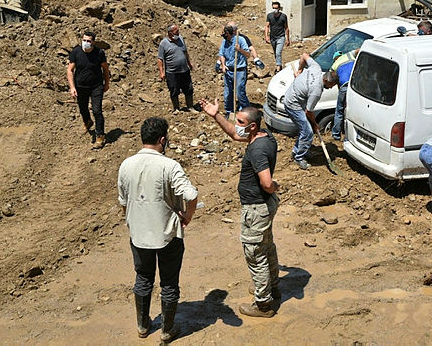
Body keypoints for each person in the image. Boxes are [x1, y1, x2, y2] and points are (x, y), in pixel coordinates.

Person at [117, 117, 198, 342]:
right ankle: (167, 330)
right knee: (169, 283)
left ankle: (143, 327)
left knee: (143, 278)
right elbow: (191, 195)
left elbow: (123, 201)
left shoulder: (126, 165)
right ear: (163, 139)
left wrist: (132, 219)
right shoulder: (169, 166)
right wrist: (187, 216)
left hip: (139, 235)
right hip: (167, 235)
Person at [200, 100, 281, 318]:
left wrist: (274, 187)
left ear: (252, 125)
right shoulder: (264, 136)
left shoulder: (257, 151)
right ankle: (272, 287)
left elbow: (266, 182)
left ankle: (263, 304)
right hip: (263, 207)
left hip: (256, 209)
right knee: (266, 246)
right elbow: (235, 135)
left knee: (255, 255)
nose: (237, 125)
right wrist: (216, 115)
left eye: (240, 121)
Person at [283, 53, 338, 169]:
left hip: (292, 97)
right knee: (308, 131)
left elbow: (303, 55)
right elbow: (309, 112)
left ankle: (297, 150)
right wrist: (315, 124)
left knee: (304, 129)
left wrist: (300, 70)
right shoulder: (316, 91)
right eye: (332, 85)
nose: (331, 88)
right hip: (293, 104)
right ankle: (299, 157)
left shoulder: (316, 68)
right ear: (326, 80)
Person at [67, 31, 110, 149]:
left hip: (96, 86)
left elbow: (105, 69)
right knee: (82, 108)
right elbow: (70, 70)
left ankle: (100, 136)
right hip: (80, 86)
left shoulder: (99, 53)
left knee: (97, 111)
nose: (86, 43)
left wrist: (106, 83)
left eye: (88, 41)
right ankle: (87, 121)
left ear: (93, 42)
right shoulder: (76, 52)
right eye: (84, 40)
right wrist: (72, 87)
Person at [157, 24, 195, 112]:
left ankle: (190, 106)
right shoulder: (164, 43)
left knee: (188, 88)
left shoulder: (181, 39)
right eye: (176, 31)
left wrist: (189, 63)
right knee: (174, 90)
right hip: (172, 72)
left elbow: (185, 52)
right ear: (170, 33)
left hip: (184, 70)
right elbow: (160, 59)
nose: (178, 33)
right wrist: (161, 72)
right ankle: (176, 108)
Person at [217, 25, 251, 117]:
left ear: (229, 33)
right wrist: (223, 65)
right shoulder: (224, 41)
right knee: (228, 94)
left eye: (225, 34)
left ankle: (245, 111)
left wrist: (239, 49)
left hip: (239, 70)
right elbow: (222, 54)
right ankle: (229, 112)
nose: (223, 36)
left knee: (240, 93)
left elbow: (248, 54)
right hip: (228, 70)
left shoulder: (240, 40)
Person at [330, 49, 358, 141]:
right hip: (355, 87)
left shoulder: (334, 66)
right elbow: (359, 50)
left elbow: (334, 80)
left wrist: (341, 94)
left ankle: (336, 135)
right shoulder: (349, 55)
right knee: (352, 113)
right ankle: (348, 137)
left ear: (335, 59)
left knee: (339, 112)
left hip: (344, 87)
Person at [265, 1, 290, 72]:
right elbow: (267, 26)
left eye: (276, 8)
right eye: (273, 8)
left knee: (278, 52)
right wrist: (266, 36)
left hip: (281, 37)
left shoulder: (283, 16)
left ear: (279, 8)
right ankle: (279, 65)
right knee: (276, 53)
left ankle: (278, 69)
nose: (274, 10)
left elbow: (286, 28)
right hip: (273, 37)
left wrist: (287, 39)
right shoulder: (269, 16)